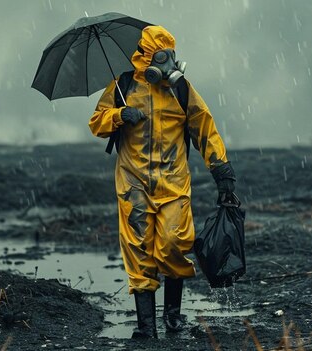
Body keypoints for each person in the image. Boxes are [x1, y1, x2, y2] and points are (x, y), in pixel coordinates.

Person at [88, 25, 236, 339]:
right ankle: (146, 328)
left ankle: (172, 317)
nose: (168, 63)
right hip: (134, 184)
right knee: (139, 250)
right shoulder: (123, 85)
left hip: (173, 183)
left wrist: (222, 173)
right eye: (161, 56)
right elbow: (96, 122)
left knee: (173, 245)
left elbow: (204, 129)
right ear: (145, 56)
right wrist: (119, 114)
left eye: (170, 56)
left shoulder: (182, 90)